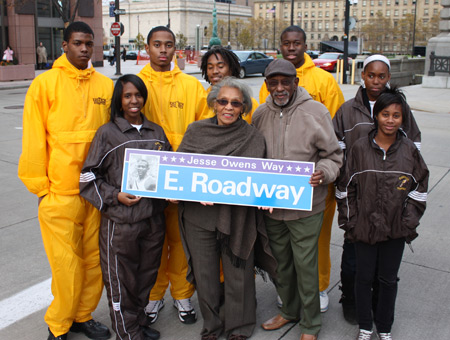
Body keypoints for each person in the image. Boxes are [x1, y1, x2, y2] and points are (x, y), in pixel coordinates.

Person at [18, 21, 113, 340]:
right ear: (64, 46)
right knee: (66, 266)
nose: (84, 48)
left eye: (89, 43)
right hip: (60, 194)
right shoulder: (44, 85)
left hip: (95, 193)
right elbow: (33, 140)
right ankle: (59, 325)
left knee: (92, 262)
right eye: (77, 43)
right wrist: (41, 188)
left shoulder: (104, 86)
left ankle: (83, 316)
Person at [176, 76, 277, 340]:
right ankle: (212, 327)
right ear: (214, 104)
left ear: (244, 107)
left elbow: (260, 178)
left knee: (239, 274)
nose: (229, 107)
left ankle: (239, 328)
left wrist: (266, 195)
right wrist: (192, 189)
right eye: (223, 101)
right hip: (200, 217)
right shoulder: (196, 131)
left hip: (238, 217)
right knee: (206, 276)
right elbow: (176, 173)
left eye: (236, 103)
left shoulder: (253, 138)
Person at [254, 59, 343, 340]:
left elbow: (333, 156)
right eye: (273, 83)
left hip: (307, 205)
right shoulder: (259, 114)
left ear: (296, 82)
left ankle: (311, 324)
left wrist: (324, 172)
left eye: (285, 82)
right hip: (272, 206)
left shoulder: (316, 112)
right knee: (281, 265)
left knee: (306, 266)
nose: (279, 88)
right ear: (266, 84)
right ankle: (289, 311)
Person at [80, 74, 172, 340]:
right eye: (128, 96)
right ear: (119, 101)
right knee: (122, 281)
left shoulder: (156, 132)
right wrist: (115, 196)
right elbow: (87, 177)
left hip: (153, 219)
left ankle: (139, 322)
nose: (134, 101)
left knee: (146, 275)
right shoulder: (107, 133)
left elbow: (170, 171)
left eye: (138, 95)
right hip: (120, 223)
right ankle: (127, 333)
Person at [333, 55, 422, 325]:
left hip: (390, 197)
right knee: (353, 260)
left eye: (382, 76)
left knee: (384, 263)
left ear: (388, 78)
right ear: (362, 75)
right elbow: (337, 149)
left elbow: (414, 149)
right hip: (359, 195)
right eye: (371, 75)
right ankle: (351, 299)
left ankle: (376, 304)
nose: (376, 81)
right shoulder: (347, 110)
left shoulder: (400, 109)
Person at [137, 26, 211, 325]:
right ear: (148, 47)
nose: (163, 50)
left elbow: (205, 131)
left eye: (168, 45)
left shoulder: (192, 87)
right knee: (151, 241)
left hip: (182, 176)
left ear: (175, 48)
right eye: (157, 45)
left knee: (180, 241)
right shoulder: (136, 84)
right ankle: (153, 297)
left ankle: (182, 294)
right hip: (147, 176)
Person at [200, 47, 258, 124]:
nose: (215, 71)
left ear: (231, 68)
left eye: (220, 66)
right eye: (210, 67)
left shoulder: (249, 103)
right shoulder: (200, 100)